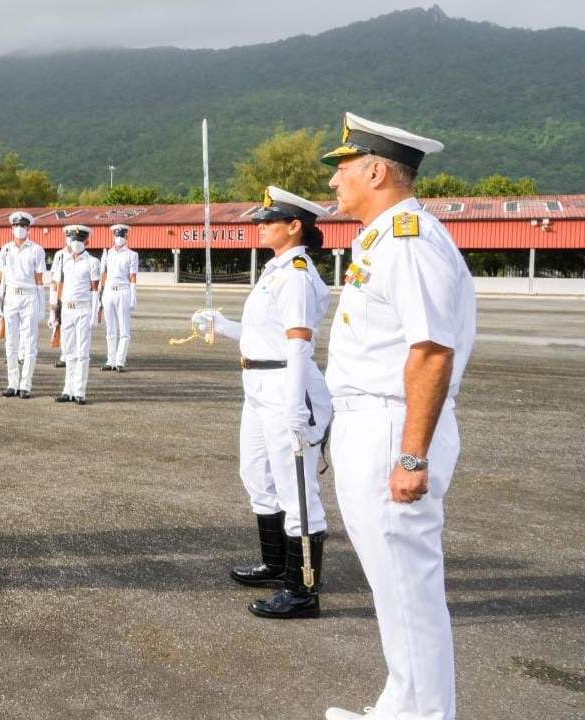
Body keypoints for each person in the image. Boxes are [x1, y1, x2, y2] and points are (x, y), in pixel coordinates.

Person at [317, 114, 475, 720]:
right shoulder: (386, 237)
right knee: (395, 586)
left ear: (376, 170)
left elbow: (431, 349)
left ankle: (425, 715)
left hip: (394, 427)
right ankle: (401, 706)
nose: (334, 184)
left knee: (409, 588)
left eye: (342, 170)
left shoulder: (408, 239)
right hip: (375, 423)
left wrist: (412, 455)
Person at [193, 186, 333, 621]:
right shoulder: (276, 271)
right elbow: (267, 336)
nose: (261, 225)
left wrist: (295, 408)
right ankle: (276, 564)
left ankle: (303, 588)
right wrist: (225, 325)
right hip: (259, 383)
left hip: (285, 387)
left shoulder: (295, 274)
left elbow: (297, 345)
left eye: (269, 220)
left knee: (298, 490)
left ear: (294, 227)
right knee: (255, 472)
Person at [0, 211, 45, 398]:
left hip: (30, 297)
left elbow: (40, 281)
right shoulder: (5, 249)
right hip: (11, 298)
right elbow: (0, 280)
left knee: (30, 342)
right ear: (12, 228)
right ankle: (12, 383)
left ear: (28, 228)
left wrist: (42, 307)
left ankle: (26, 385)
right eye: (16, 226)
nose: (19, 229)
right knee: (11, 343)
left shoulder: (37, 250)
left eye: (22, 226)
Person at [52, 225, 101, 405]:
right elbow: (59, 287)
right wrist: (55, 313)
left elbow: (95, 290)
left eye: (80, 240)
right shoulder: (63, 260)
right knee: (68, 352)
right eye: (74, 240)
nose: (77, 243)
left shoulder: (93, 262)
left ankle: (80, 391)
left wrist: (95, 313)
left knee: (82, 352)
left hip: (83, 309)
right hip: (67, 309)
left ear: (87, 241)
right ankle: (68, 389)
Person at [100, 224, 140, 372]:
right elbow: (103, 275)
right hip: (109, 291)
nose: (119, 239)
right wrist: (101, 295)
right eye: (117, 236)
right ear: (113, 236)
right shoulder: (108, 253)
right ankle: (110, 360)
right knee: (110, 329)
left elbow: (133, 277)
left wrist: (133, 296)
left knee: (124, 329)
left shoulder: (132, 254)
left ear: (127, 237)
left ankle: (120, 361)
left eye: (122, 236)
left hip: (123, 291)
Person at [46, 229, 72, 368]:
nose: (70, 239)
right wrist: (52, 307)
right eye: (68, 236)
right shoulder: (59, 255)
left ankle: (73, 355)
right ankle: (64, 355)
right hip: (61, 297)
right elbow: (54, 282)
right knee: (61, 327)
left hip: (75, 296)